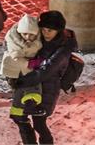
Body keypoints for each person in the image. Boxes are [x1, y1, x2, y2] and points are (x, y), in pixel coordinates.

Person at [10, 11, 77, 145]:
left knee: (39, 124)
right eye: (44, 29)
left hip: (47, 90)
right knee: (18, 117)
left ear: (58, 30)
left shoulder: (63, 48)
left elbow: (47, 70)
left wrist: (22, 81)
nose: (46, 33)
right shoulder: (38, 37)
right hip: (30, 86)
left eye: (50, 30)